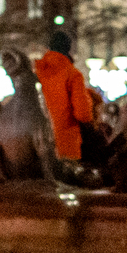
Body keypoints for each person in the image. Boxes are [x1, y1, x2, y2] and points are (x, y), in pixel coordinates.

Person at [33, 30, 95, 163]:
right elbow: (83, 114)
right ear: (69, 49)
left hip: (38, 138)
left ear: (49, 48)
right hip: (65, 140)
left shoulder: (38, 70)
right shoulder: (73, 74)